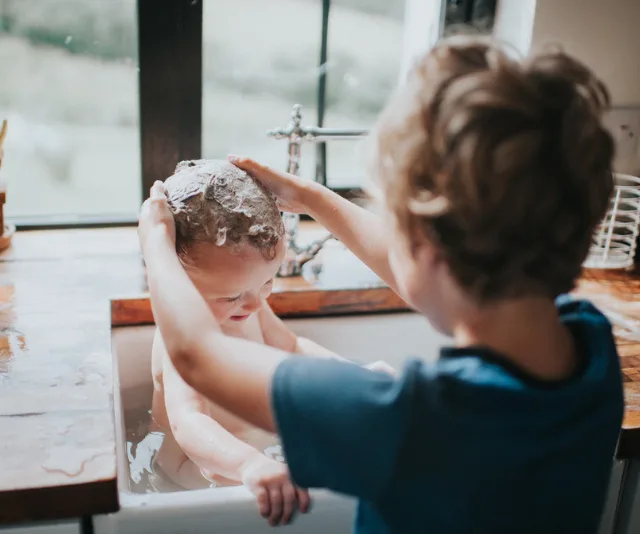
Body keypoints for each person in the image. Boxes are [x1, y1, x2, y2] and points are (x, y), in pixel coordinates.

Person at [138, 38, 624, 533]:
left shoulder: (402, 419)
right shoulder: (593, 345)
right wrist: (311, 198)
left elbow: (197, 355)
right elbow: (424, 271)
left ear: (427, 251)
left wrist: (158, 243)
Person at [149, 159, 390, 504]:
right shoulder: (175, 335)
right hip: (194, 469)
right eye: (231, 295)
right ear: (177, 280)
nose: (253, 303)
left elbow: (291, 346)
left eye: (266, 282)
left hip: (257, 448)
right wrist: (248, 464)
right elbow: (188, 421)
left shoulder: (245, 305)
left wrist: (354, 376)